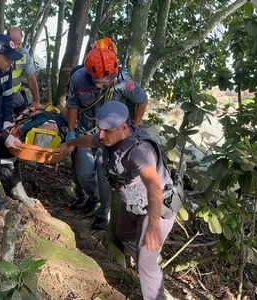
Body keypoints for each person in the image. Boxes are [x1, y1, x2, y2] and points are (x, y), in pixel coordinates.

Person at [60, 101, 185, 300]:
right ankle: (149, 259)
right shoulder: (109, 137)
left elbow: (154, 187)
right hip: (133, 205)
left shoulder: (140, 152)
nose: (101, 135)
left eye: (106, 131)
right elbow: (89, 140)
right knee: (123, 234)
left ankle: (153, 285)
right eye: (100, 130)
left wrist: (152, 227)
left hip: (157, 209)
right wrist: (70, 144)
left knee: (146, 262)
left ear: (124, 128)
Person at [66, 47, 148, 230]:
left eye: (109, 80)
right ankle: (92, 198)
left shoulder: (123, 81)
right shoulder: (78, 79)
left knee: (104, 177)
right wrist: (71, 131)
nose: (106, 84)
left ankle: (104, 211)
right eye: (101, 81)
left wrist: (135, 124)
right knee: (84, 174)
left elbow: (142, 99)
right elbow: (72, 105)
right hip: (87, 133)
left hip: (112, 138)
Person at [0, 34, 35, 210]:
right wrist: (2, 133)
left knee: (13, 147)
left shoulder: (6, 70)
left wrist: (9, 123)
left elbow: (7, 100)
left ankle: (16, 187)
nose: (10, 63)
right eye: (7, 59)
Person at [7, 27, 40, 115]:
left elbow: (31, 79)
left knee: (24, 115)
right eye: (13, 44)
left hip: (15, 94)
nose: (16, 47)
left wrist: (36, 101)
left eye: (19, 43)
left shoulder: (24, 56)